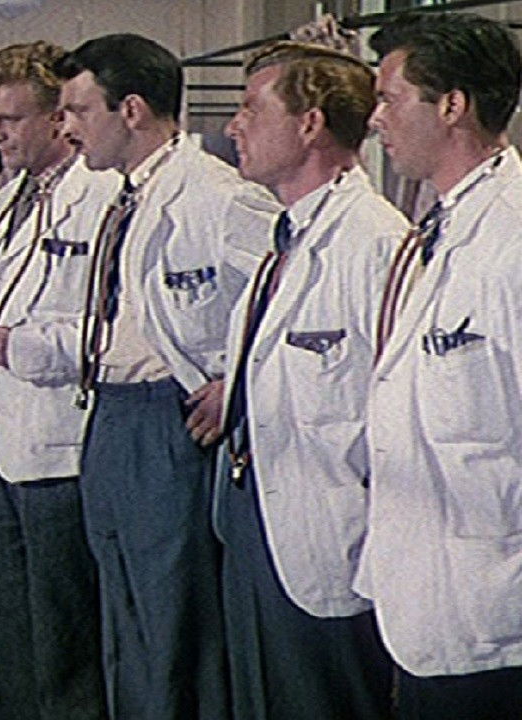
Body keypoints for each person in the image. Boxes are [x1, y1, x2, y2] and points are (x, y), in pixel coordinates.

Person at [53, 34, 278, 718]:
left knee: (174, 624)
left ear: (130, 110)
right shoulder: (120, 194)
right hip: (111, 415)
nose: (66, 127)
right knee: (124, 623)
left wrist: (234, 380)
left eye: (78, 110)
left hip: (168, 422)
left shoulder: (217, 195)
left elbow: (288, 290)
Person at [217, 40, 403, 720]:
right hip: (257, 521)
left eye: (250, 109)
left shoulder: (374, 243)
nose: (233, 127)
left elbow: (394, 413)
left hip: (330, 539)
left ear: (310, 124)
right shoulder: (285, 237)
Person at [0, 41, 116, 719]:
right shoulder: (7, 197)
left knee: (64, 641)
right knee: (5, 636)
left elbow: (120, 330)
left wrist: (23, 347)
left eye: (10, 120)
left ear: (57, 118)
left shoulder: (101, 196)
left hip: (54, 451)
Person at [363, 13, 522, 719]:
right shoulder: (440, 229)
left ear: (452, 105)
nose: (375, 119)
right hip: (428, 605)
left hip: (497, 624)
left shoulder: (512, 239)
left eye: (390, 98)